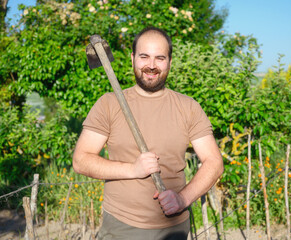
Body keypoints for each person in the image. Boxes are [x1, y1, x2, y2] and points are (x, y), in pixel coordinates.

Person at [73, 26, 224, 240]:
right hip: (120, 227)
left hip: (174, 228)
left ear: (170, 62)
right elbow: (81, 160)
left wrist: (182, 199)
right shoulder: (108, 103)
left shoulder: (188, 107)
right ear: (133, 58)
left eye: (159, 58)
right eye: (144, 56)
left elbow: (214, 162)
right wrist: (132, 169)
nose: (151, 66)